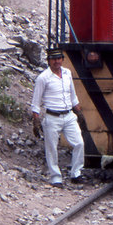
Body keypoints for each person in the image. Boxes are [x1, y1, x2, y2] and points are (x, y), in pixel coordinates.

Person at [31, 49, 86, 187]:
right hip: (52, 117)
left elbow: (73, 96)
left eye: (59, 58)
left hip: (69, 115)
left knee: (79, 143)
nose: (56, 61)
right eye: (53, 59)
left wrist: (79, 113)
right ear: (48, 60)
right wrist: (36, 121)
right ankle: (56, 177)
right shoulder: (43, 78)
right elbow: (36, 102)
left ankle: (76, 173)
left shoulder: (67, 73)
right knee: (52, 148)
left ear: (62, 59)